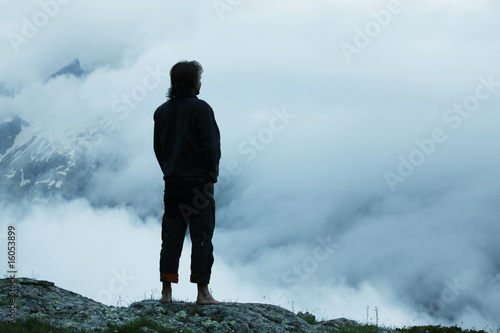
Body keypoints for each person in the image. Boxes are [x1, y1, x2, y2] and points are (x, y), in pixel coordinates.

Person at [153, 60, 221, 305]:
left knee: (171, 236)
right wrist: (211, 174)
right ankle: (202, 293)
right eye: (199, 78)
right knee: (201, 237)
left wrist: (169, 171)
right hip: (198, 184)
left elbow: (159, 148)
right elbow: (210, 146)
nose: (200, 82)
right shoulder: (201, 110)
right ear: (192, 81)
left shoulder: (161, 112)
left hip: (172, 183)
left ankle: (166, 293)